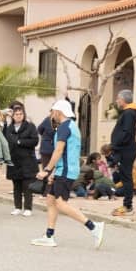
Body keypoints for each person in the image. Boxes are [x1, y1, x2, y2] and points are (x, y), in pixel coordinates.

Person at [31, 99, 105, 249]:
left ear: (59, 112)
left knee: (60, 202)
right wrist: (55, 172)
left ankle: (93, 227)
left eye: (53, 112)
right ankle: (49, 236)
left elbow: (59, 151)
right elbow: (67, 152)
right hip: (65, 169)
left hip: (65, 170)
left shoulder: (64, 127)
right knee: (51, 200)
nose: (51, 115)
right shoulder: (72, 126)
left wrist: (47, 170)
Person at [2, 101, 39, 215]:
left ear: (24, 115)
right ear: (12, 116)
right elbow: (4, 140)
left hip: (27, 160)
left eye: (20, 114)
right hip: (14, 160)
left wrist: (19, 141)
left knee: (27, 185)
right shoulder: (9, 128)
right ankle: (17, 207)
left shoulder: (30, 126)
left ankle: (28, 208)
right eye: (16, 114)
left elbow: (35, 141)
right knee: (16, 185)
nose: (18, 116)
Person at [109, 89, 136, 217]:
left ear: (123, 100)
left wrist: (115, 145)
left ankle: (128, 206)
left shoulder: (129, 113)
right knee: (125, 177)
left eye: (118, 99)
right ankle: (127, 205)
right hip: (126, 149)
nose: (117, 101)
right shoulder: (130, 112)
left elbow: (127, 133)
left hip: (126, 149)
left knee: (126, 178)